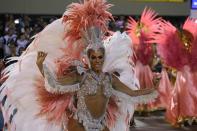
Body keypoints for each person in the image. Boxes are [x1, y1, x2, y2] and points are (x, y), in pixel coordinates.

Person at [0, 0, 158, 131]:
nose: (97, 60)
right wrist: (42, 66)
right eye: (94, 57)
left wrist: (152, 89)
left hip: (102, 125)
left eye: (100, 57)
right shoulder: (79, 75)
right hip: (79, 124)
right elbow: (53, 84)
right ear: (89, 58)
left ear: (103, 57)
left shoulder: (109, 79)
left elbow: (131, 94)